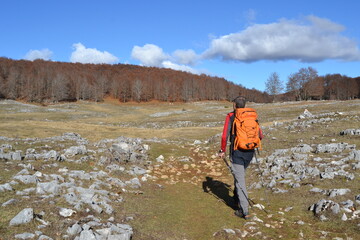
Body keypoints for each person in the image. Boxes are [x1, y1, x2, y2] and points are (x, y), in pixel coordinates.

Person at [218, 96, 263, 220]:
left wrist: (222, 150)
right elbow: (260, 135)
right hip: (250, 151)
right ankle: (236, 198)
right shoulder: (251, 116)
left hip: (237, 151)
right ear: (244, 105)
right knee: (239, 176)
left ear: (234, 105)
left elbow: (224, 136)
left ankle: (244, 210)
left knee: (240, 181)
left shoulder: (231, 116)